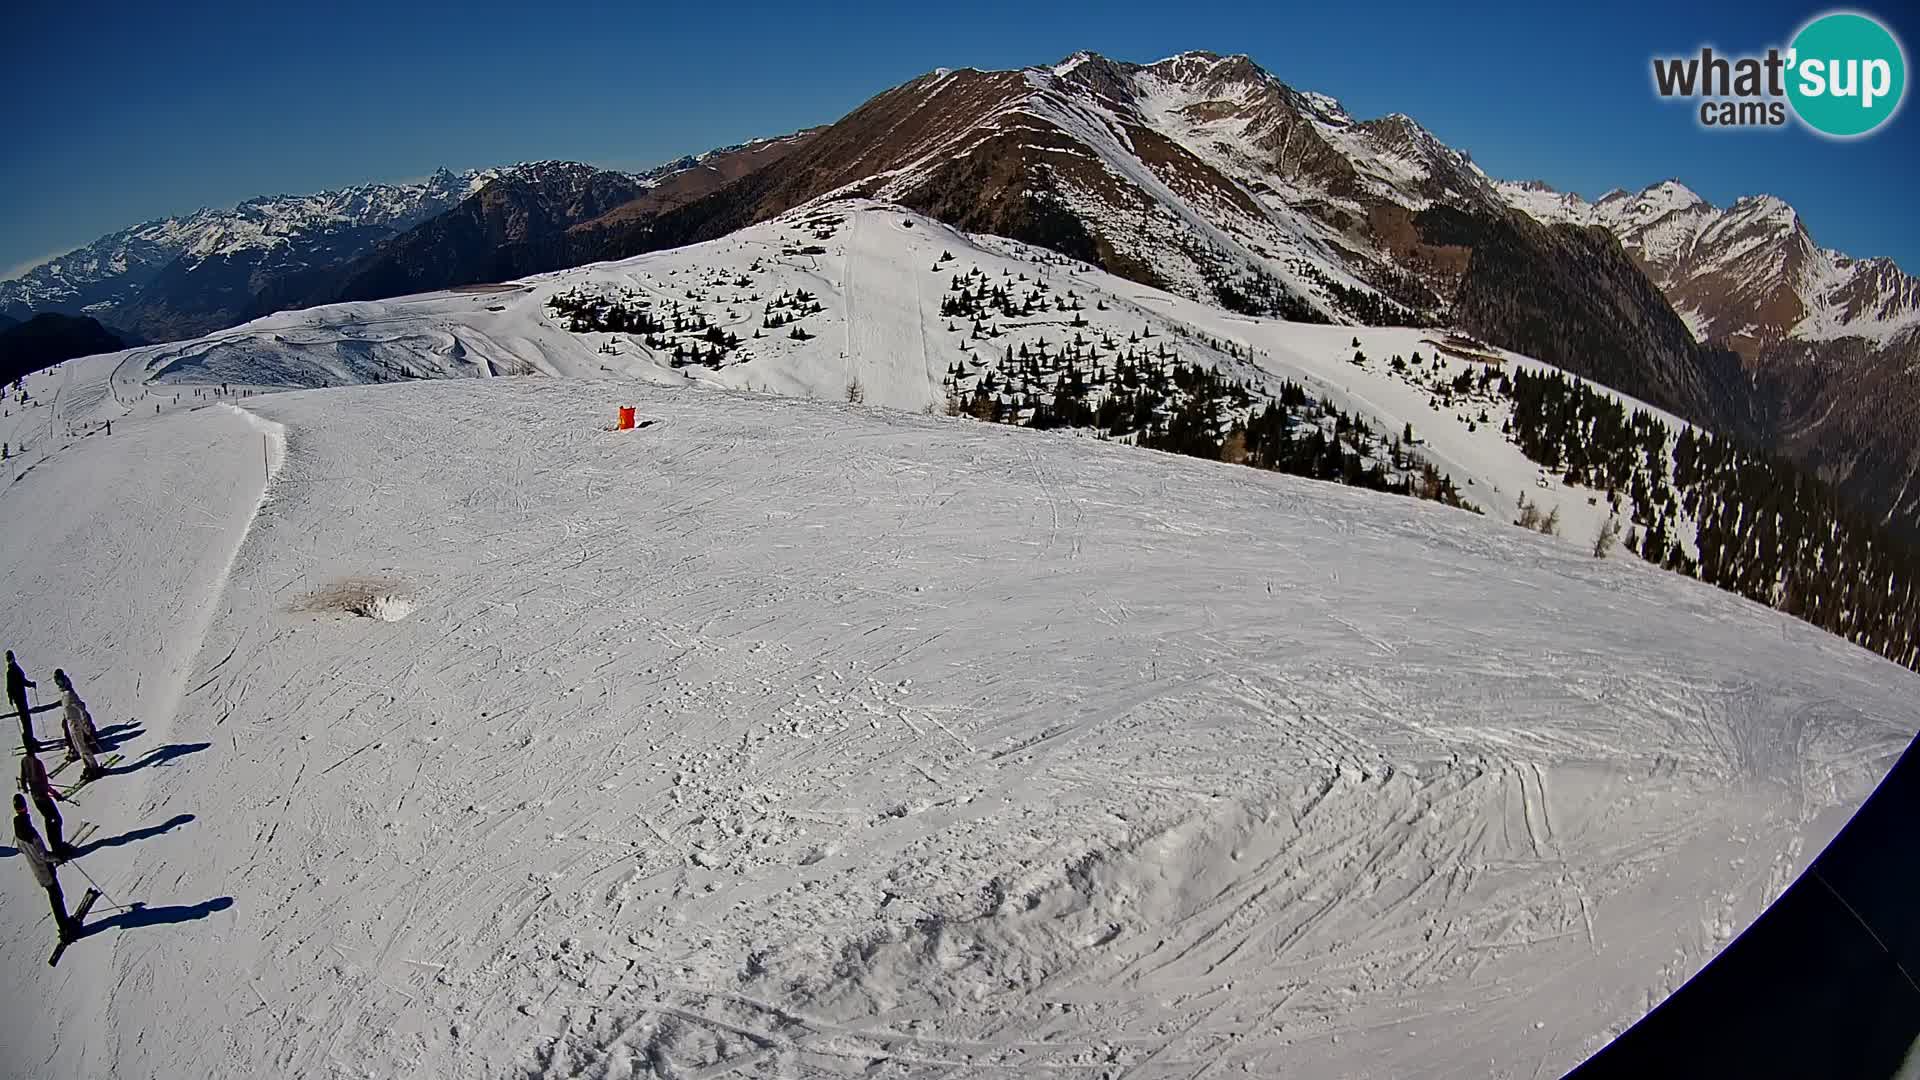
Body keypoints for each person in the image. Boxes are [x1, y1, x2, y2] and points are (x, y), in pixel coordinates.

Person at [14, 794, 79, 942]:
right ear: (25, 807)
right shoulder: (30, 832)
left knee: (54, 896)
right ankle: (65, 927)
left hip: (37, 871)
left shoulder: (17, 827)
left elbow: (21, 848)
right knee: (57, 897)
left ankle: (64, 924)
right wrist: (59, 857)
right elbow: (43, 855)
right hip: (45, 871)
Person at [18, 748, 72, 859]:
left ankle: (56, 847)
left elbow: (23, 778)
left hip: (36, 797)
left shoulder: (24, 761)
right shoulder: (38, 763)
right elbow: (44, 784)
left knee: (49, 820)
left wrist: (25, 787)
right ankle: (58, 848)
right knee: (56, 820)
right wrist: (56, 794)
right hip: (43, 797)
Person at [52, 670, 103, 781]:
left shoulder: (69, 694)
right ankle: (88, 766)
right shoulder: (64, 693)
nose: (58, 684)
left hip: (76, 723)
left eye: (59, 681)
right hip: (71, 723)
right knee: (78, 748)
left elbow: (81, 710)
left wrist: (86, 727)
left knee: (83, 748)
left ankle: (94, 767)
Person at [6, 650, 36, 749]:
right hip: (19, 699)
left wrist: (30, 684)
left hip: (21, 698)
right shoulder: (11, 671)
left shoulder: (15, 668)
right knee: (26, 720)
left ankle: (30, 739)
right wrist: (10, 697)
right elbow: (10, 686)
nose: (10, 660)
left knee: (26, 720)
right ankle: (29, 742)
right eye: (9, 659)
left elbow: (22, 681)